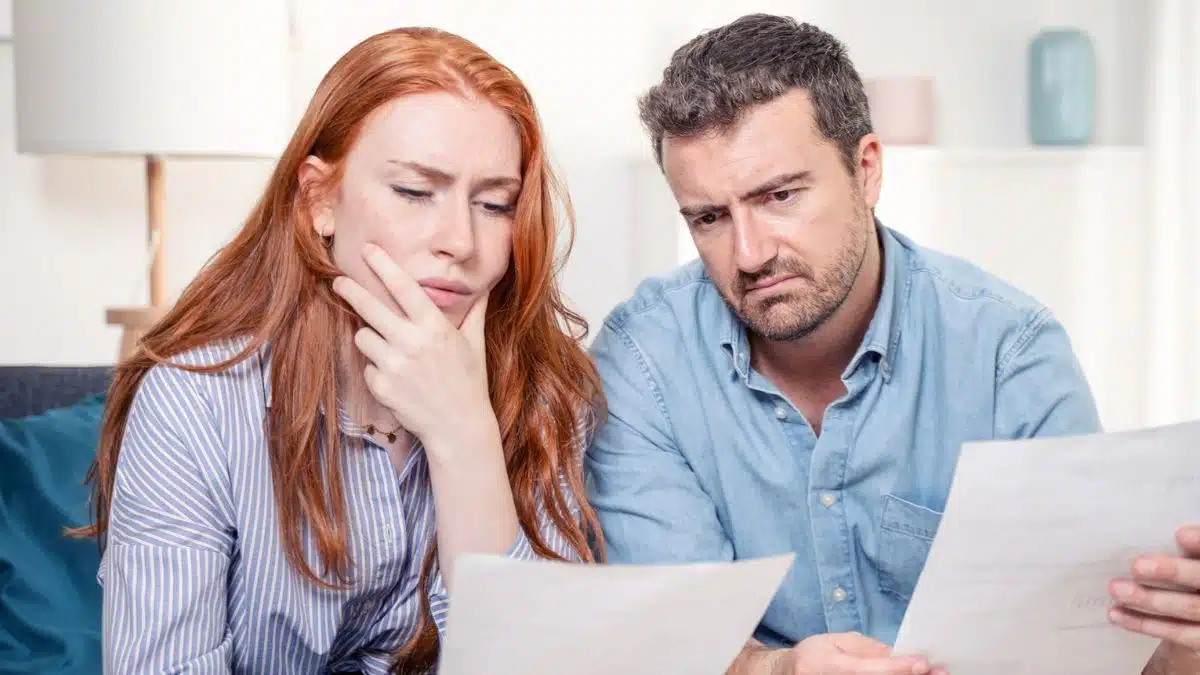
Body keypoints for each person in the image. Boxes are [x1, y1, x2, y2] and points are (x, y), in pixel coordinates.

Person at [584, 13, 1200, 675]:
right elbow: (668, 650)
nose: (749, 252)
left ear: (867, 169)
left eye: (780, 195)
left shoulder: (1008, 358)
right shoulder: (642, 363)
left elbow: (1091, 657)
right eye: (709, 217)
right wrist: (778, 671)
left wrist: (1177, 646)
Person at [72, 27, 604, 674]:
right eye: (414, 192)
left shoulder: (552, 392)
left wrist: (465, 437)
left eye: (496, 204)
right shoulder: (197, 401)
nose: (460, 240)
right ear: (320, 199)